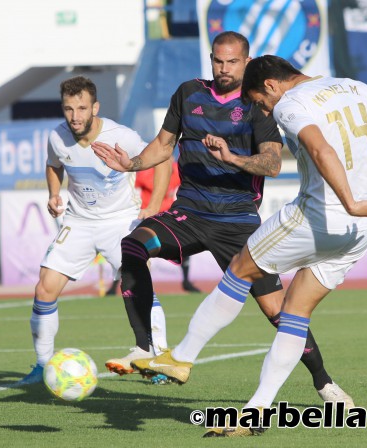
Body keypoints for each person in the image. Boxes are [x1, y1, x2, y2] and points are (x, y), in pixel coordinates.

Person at [131, 55, 367, 437]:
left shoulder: (291, 103)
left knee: (239, 269)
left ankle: (181, 357)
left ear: (270, 86)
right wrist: (361, 159)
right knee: (295, 313)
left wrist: (349, 197)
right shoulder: (357, 88)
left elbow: (321, 150)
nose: (263, 110)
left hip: (320, 216)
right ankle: (256, 412)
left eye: (259, 102)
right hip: (363, 226)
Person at [91, 32, 343, 403]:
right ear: (211, 59)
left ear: (246, 61)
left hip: (239, 222)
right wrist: (131, 164)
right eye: (218, 61)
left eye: (233, 62)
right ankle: (144, 347)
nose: (224, 69)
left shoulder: (260, 104)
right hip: (189, 212)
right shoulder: (188, 93)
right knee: (132, 246)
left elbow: (272, 162)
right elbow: (163, 145)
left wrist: (232, 158)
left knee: (279, 312)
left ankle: (324, 383)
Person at [18, 76, 172, 384]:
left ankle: (158, 360)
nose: (75, 116)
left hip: (120, 222)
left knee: (138, 285)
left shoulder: (121, 136)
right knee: (44, 288)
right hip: (79, 222)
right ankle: (42, 365)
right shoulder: (57, 137)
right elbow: (53, 164)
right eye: (69, 109)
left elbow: (163, 160)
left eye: (82, 108)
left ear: (95, 107)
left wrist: (155, 204)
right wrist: (53, 193)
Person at [106, 159, 201, 295]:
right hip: (147, 216)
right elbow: (134, 184)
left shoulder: (177, 169)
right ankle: (117, 285)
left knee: (184, 245)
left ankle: (186, 281)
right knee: (132, 250)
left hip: (167, 217)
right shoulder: (146, 170)